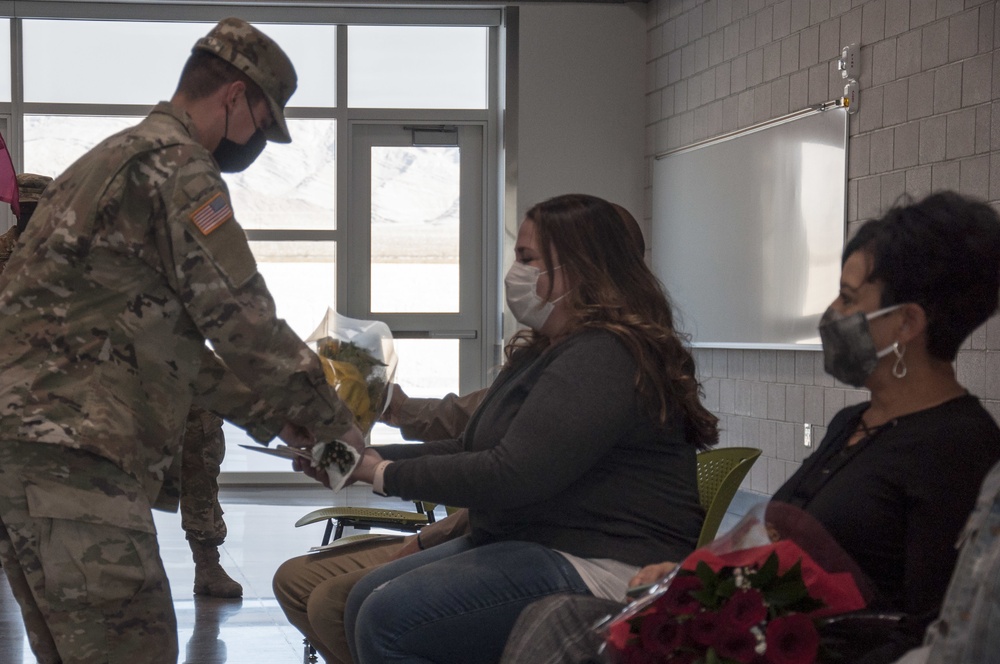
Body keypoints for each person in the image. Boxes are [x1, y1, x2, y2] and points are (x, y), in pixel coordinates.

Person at [498, 190, 1000, 664]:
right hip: (749, 635)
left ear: (907, 324)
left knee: (560, 629)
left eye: (848, 299)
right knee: (553, 618)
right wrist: (683, 580)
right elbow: (774, 541)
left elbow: (926, 625)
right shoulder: (854, 422)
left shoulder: (956, 446)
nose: (831, 315)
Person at [0, 17, 364, 664]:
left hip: (28, 455)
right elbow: (244, 319)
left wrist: (284, 425)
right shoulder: (181, 172)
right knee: (136, 649)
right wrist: (336, 424)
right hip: (75, 459)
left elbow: (178, 354)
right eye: (262, 121)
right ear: (232, 98)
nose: (260, 143)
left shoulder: (108, 160)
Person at [321, 193, 716, 664]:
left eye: (528, 259)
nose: (516, 272)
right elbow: (470, 446)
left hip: (602, 562)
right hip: (542, 540)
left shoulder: (604, 355)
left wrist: (381, 474)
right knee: (365, 597)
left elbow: (512, 474)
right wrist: (359, 462)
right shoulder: (550, 349)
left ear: (577, 268)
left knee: (389, 617)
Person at [0, 172, 53, 276]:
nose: (29, 213)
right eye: (24, 207)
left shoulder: (65, 248)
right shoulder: (2, 250)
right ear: (14, 208)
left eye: (35, 207)